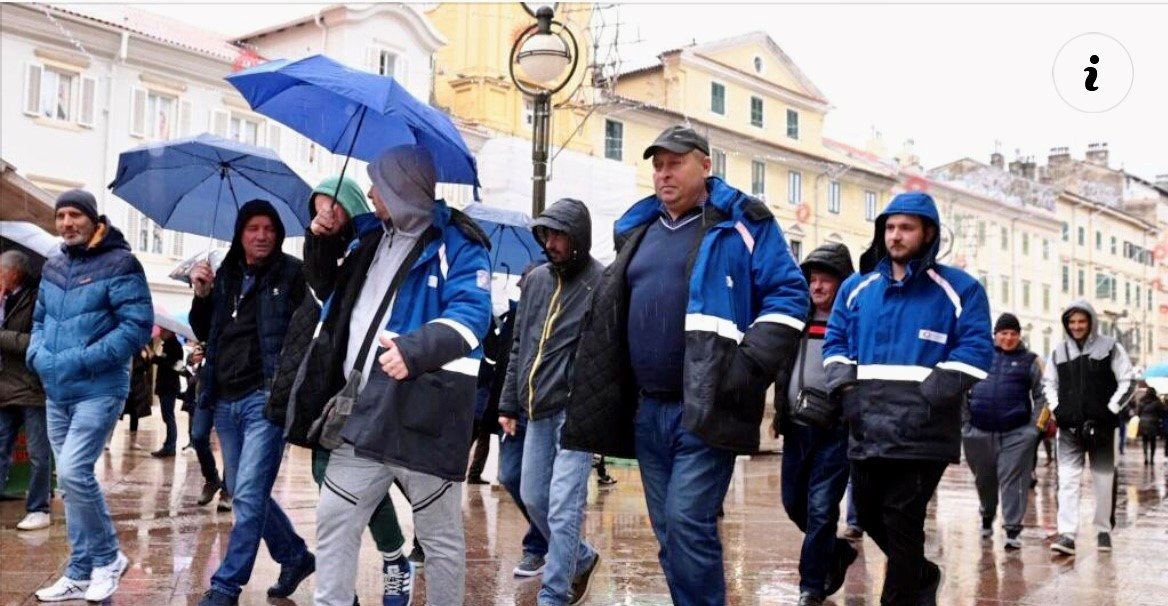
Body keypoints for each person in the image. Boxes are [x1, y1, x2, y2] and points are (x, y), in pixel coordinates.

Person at [563, 125, 809, 605]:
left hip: (707, 402)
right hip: (648, 410)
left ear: (706, 166)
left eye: (675, 162)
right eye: (657, 164)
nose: (663, 173)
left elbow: (789, 293)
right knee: (670, 532)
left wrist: (749, 365)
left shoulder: (742, 224)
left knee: (687, 520)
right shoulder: (641, 230)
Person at [305, 145, 491, 606]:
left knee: (439, 537)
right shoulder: (367, 236)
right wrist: (322, 238)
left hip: (420, 414)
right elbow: (324, 285)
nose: (369, 193)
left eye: (379, 184)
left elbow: (472, 315)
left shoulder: (459, 245)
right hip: (363, 410)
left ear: (403, 187)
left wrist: (414, 350)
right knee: (334, 516)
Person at [823, 191, 992, 606]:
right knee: (866, 510)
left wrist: (927, 397)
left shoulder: (961, 289)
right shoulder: (856, 288)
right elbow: (835, 342)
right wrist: (847, 394)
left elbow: (975, 350)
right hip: (867, 426)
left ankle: (900, 596)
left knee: (901, 518)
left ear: (928, 233)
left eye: (906, 228)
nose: (896, 236)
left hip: (924, 432)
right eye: (890, 227)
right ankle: (921, 573)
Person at [289, 173, 416, 606]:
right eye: (319, 207)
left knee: (359, 479)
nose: (327, 213)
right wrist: (319, 240)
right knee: (327, 474)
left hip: (378, 380)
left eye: (335, 206)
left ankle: (394, 558)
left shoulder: (372, 244)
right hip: (335, 381)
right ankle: (374, 569)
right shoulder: (345, 247)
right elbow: (321, 281)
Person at [28, 189, 153, 602]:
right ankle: (80, 571)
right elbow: (41, 320)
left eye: (74, 215)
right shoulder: (54, 265)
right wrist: (37, 355)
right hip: (56, 389)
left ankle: (108, 557)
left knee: (75, 472)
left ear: (92, 219)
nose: (66, 223)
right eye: (60, 215)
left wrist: (83, 359)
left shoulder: (121, 263)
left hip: (98, 388)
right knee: (69, 482)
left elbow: (136, 326)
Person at [190, 199, 313, 606]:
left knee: (246, 493)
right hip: (225, 397)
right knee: (246, 491)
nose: (262, 236)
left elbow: (306, 330)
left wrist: (289, 386)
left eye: (269, 229)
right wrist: (203, 294)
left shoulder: (293, 273)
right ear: (240, 233)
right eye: (253, 228)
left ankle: (226, 585)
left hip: (266, 398)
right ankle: (294, 556)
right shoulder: (224, 273)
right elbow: (205, 328)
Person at [498, 198, 604, 606]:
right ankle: (580, 556)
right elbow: (519, 343)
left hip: (575, 414)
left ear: (578, 238)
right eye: (547, 234)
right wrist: (509, 403)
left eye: (559, 234)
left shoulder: (601, 281)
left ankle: (554, 594)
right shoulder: (538, 280)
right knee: (533, 496)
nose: (551, 242)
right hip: (535, 410)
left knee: (563, 508)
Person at [772, 242, 857, 606]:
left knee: (822, 507)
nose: (818, 287)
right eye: (813, 280)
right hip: (796, 426)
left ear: (843, 285)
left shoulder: (853, 326)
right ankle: (835, 550)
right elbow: (783, 369)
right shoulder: (798, 320)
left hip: (836, 429)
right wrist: (779, 412)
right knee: (794, 503)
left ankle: (811, 587)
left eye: (826, 281)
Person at [1044, 300, 1134, 555]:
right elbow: (1048, 383)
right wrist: (1057, 408)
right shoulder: (1059, 351)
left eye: (1081, 321)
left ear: (1091, 322)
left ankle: (1103, 530)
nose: (1077, 326)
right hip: (1069, 428)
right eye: (1072, 322)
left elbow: (1128, 381)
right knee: (1068, 481)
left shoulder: (1110, 348)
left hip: (1102, 428)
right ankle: (1067, 535)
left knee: (1103, 480)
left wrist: (1110, 410)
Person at [962, 313, 1045, 550]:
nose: (1009, 338)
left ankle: (1012, 530)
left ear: (1019, 336)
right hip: (978, 431)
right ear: (995, 335)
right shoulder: (979, 357)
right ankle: (987, 515)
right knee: (984, 480)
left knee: (1013, 480)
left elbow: (1045, 395)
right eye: (1004, 333)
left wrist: (1034, 429)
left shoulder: (1031, 361)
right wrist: (965, 423)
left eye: (1013, 334)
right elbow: (960, 389)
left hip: (1016, 433)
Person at [0, 250, 52, 531]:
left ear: (14, 273)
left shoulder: (35, 300)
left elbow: (36, 343)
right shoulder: (3, 300)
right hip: (4, 388)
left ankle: (38, 508)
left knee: (37, 453)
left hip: (31, 389)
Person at [180, 342, 230, 509]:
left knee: (230, 442)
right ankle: (211, 479)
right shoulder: (213, 321)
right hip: (207, 388)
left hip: (233, 385)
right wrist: (194, 356)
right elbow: (196, 349)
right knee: (198, 435)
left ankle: (228, 490)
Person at [150, 329, 184, 457]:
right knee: (167, 416)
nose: (160, 334)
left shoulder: (174, 346)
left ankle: (170, 446)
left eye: (163, 331)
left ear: (170, 332)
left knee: (169, 416)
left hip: (169, 386)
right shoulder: (168, 345)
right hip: (165, 386)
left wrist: (157, 359)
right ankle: (169, 444)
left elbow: (177, 366)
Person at [1136, 387, 1164, 465]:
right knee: (1153, 441)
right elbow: (1163, 411)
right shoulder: (1157, 401)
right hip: (1154, 422)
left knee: (1144, 440)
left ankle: (1145, 458)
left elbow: (1138, 412)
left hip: (1143, 422)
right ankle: (1152, 459)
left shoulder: (1142, 400)